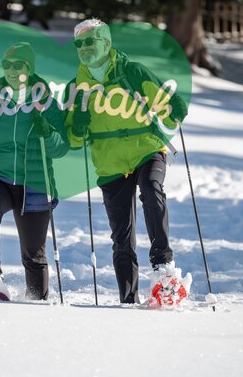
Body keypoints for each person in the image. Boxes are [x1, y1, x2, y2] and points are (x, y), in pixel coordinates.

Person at [64, 19, 189, 304]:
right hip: (109, 163)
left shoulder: (132, 72)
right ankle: (127, 300)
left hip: (146, 148)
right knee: (122, 236)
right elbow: (72, 139)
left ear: (106, 44)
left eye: (89, 42)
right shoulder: (76, 88)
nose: (83, 48)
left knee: (151, 189)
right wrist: (78, 125)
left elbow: (166, 108)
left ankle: (163, 267)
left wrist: (174, 108)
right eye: (79, 44)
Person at [0, 42, 68, 300]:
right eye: (6, 65)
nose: (10, 70)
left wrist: (47, 132)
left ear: (29, 69)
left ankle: (37, 298)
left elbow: (61, 148)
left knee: (33, 251)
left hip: (35, 184)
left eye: (17, 65)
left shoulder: (46, 103)